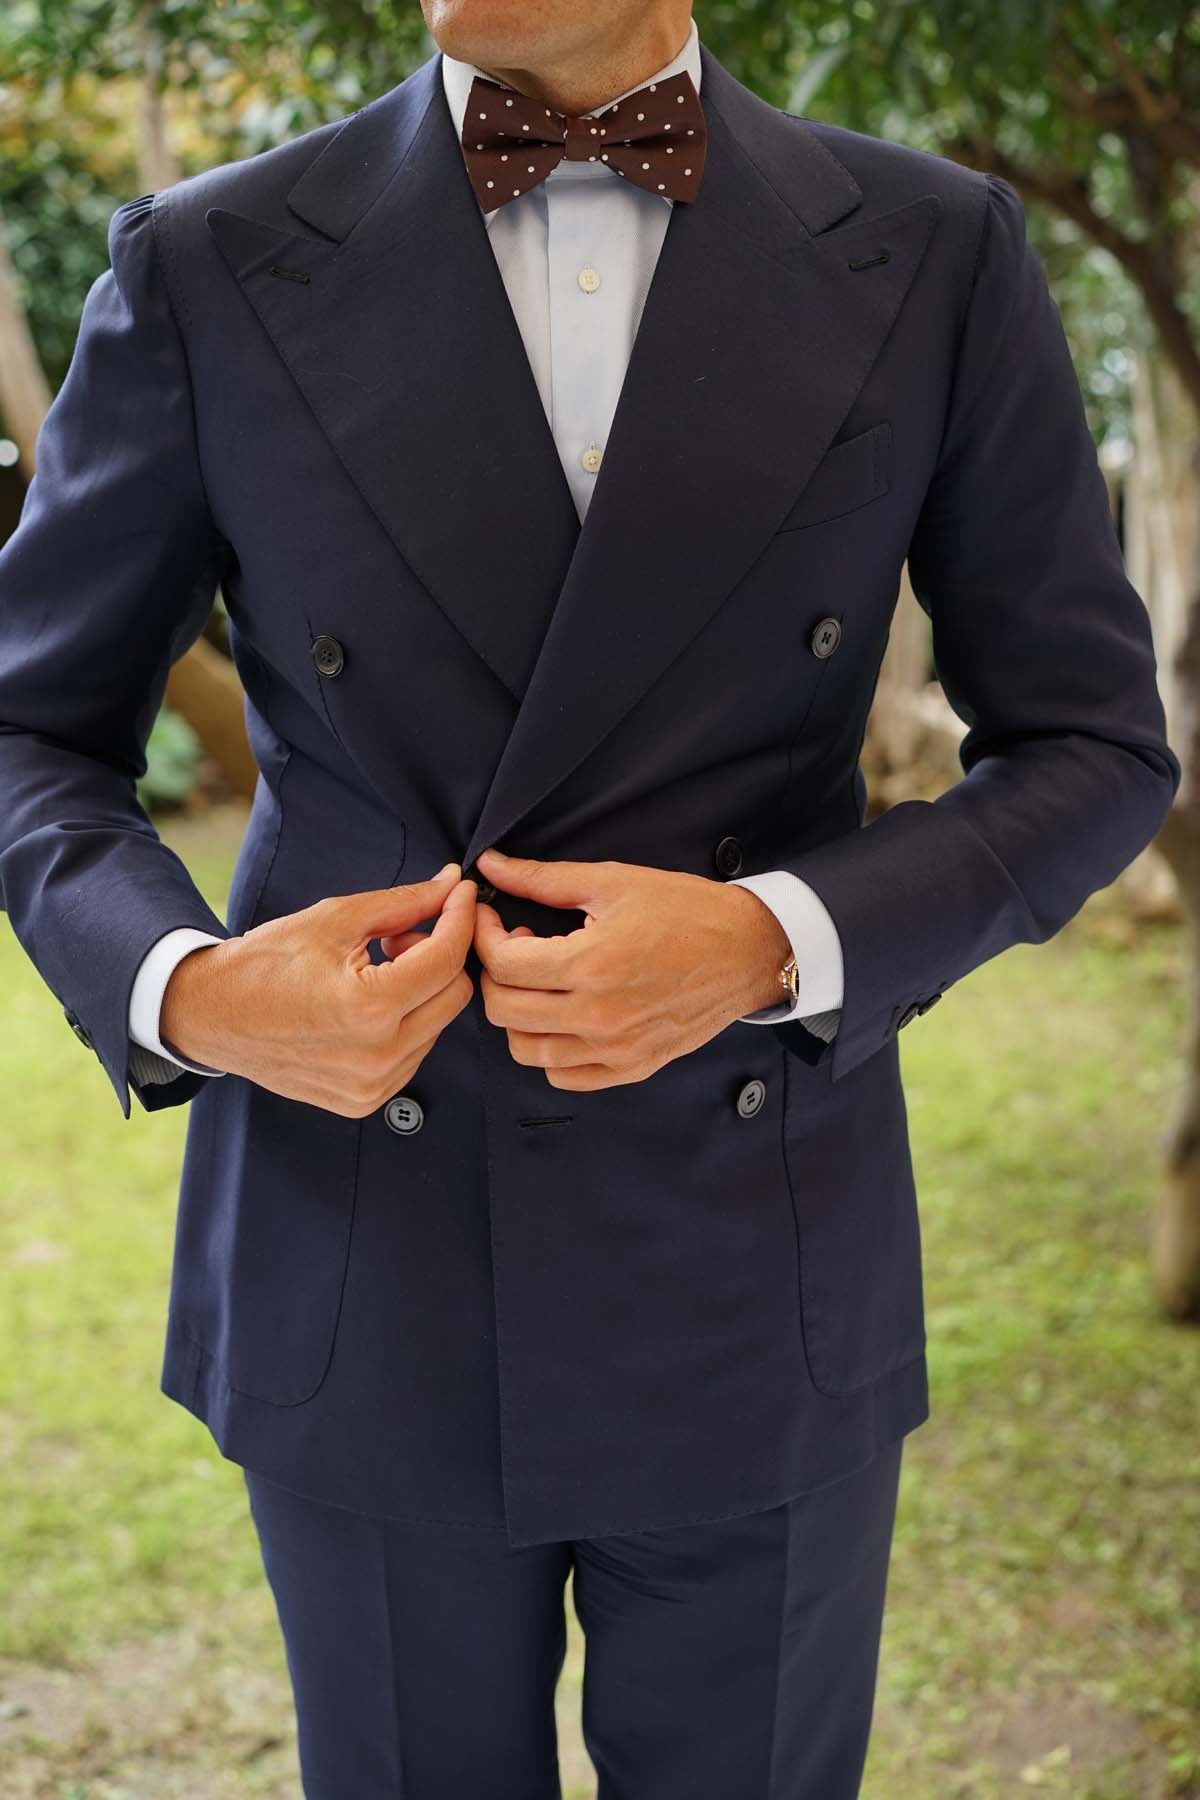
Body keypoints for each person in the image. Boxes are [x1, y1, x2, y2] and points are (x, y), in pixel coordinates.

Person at [0, 0, 1178, 1793]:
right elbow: (29, 728)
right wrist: (193, 989)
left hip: (755, 1254)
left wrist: (776, 940)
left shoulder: (930, 248)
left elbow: (1095, 748)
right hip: (367, 1261)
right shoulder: (215, 256)